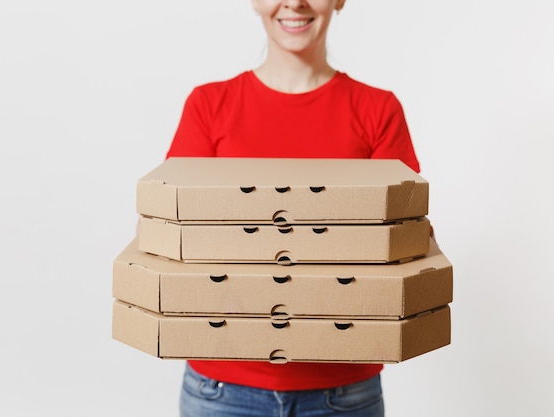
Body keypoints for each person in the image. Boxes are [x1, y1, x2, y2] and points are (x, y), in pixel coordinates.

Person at [166, 1, 421, 416]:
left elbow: (404, 244)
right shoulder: (209, 104)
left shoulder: (377, 110)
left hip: (342, 392)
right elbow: (175, 235)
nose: (295, 2)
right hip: (221, 389)